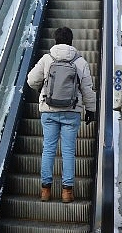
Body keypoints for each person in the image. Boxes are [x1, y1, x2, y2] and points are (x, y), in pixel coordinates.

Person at [26, 26, 96, 203]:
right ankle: (67, 192)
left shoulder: (47, 59)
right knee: (68, 151)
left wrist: (42, 89)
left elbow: (32, 80)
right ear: (71, 41)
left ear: (55, 40)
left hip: (48, 111)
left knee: (48, 150)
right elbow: (87, 89)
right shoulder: (80, 62)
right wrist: (91, 110)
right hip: (71, 112)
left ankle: (45, 191)